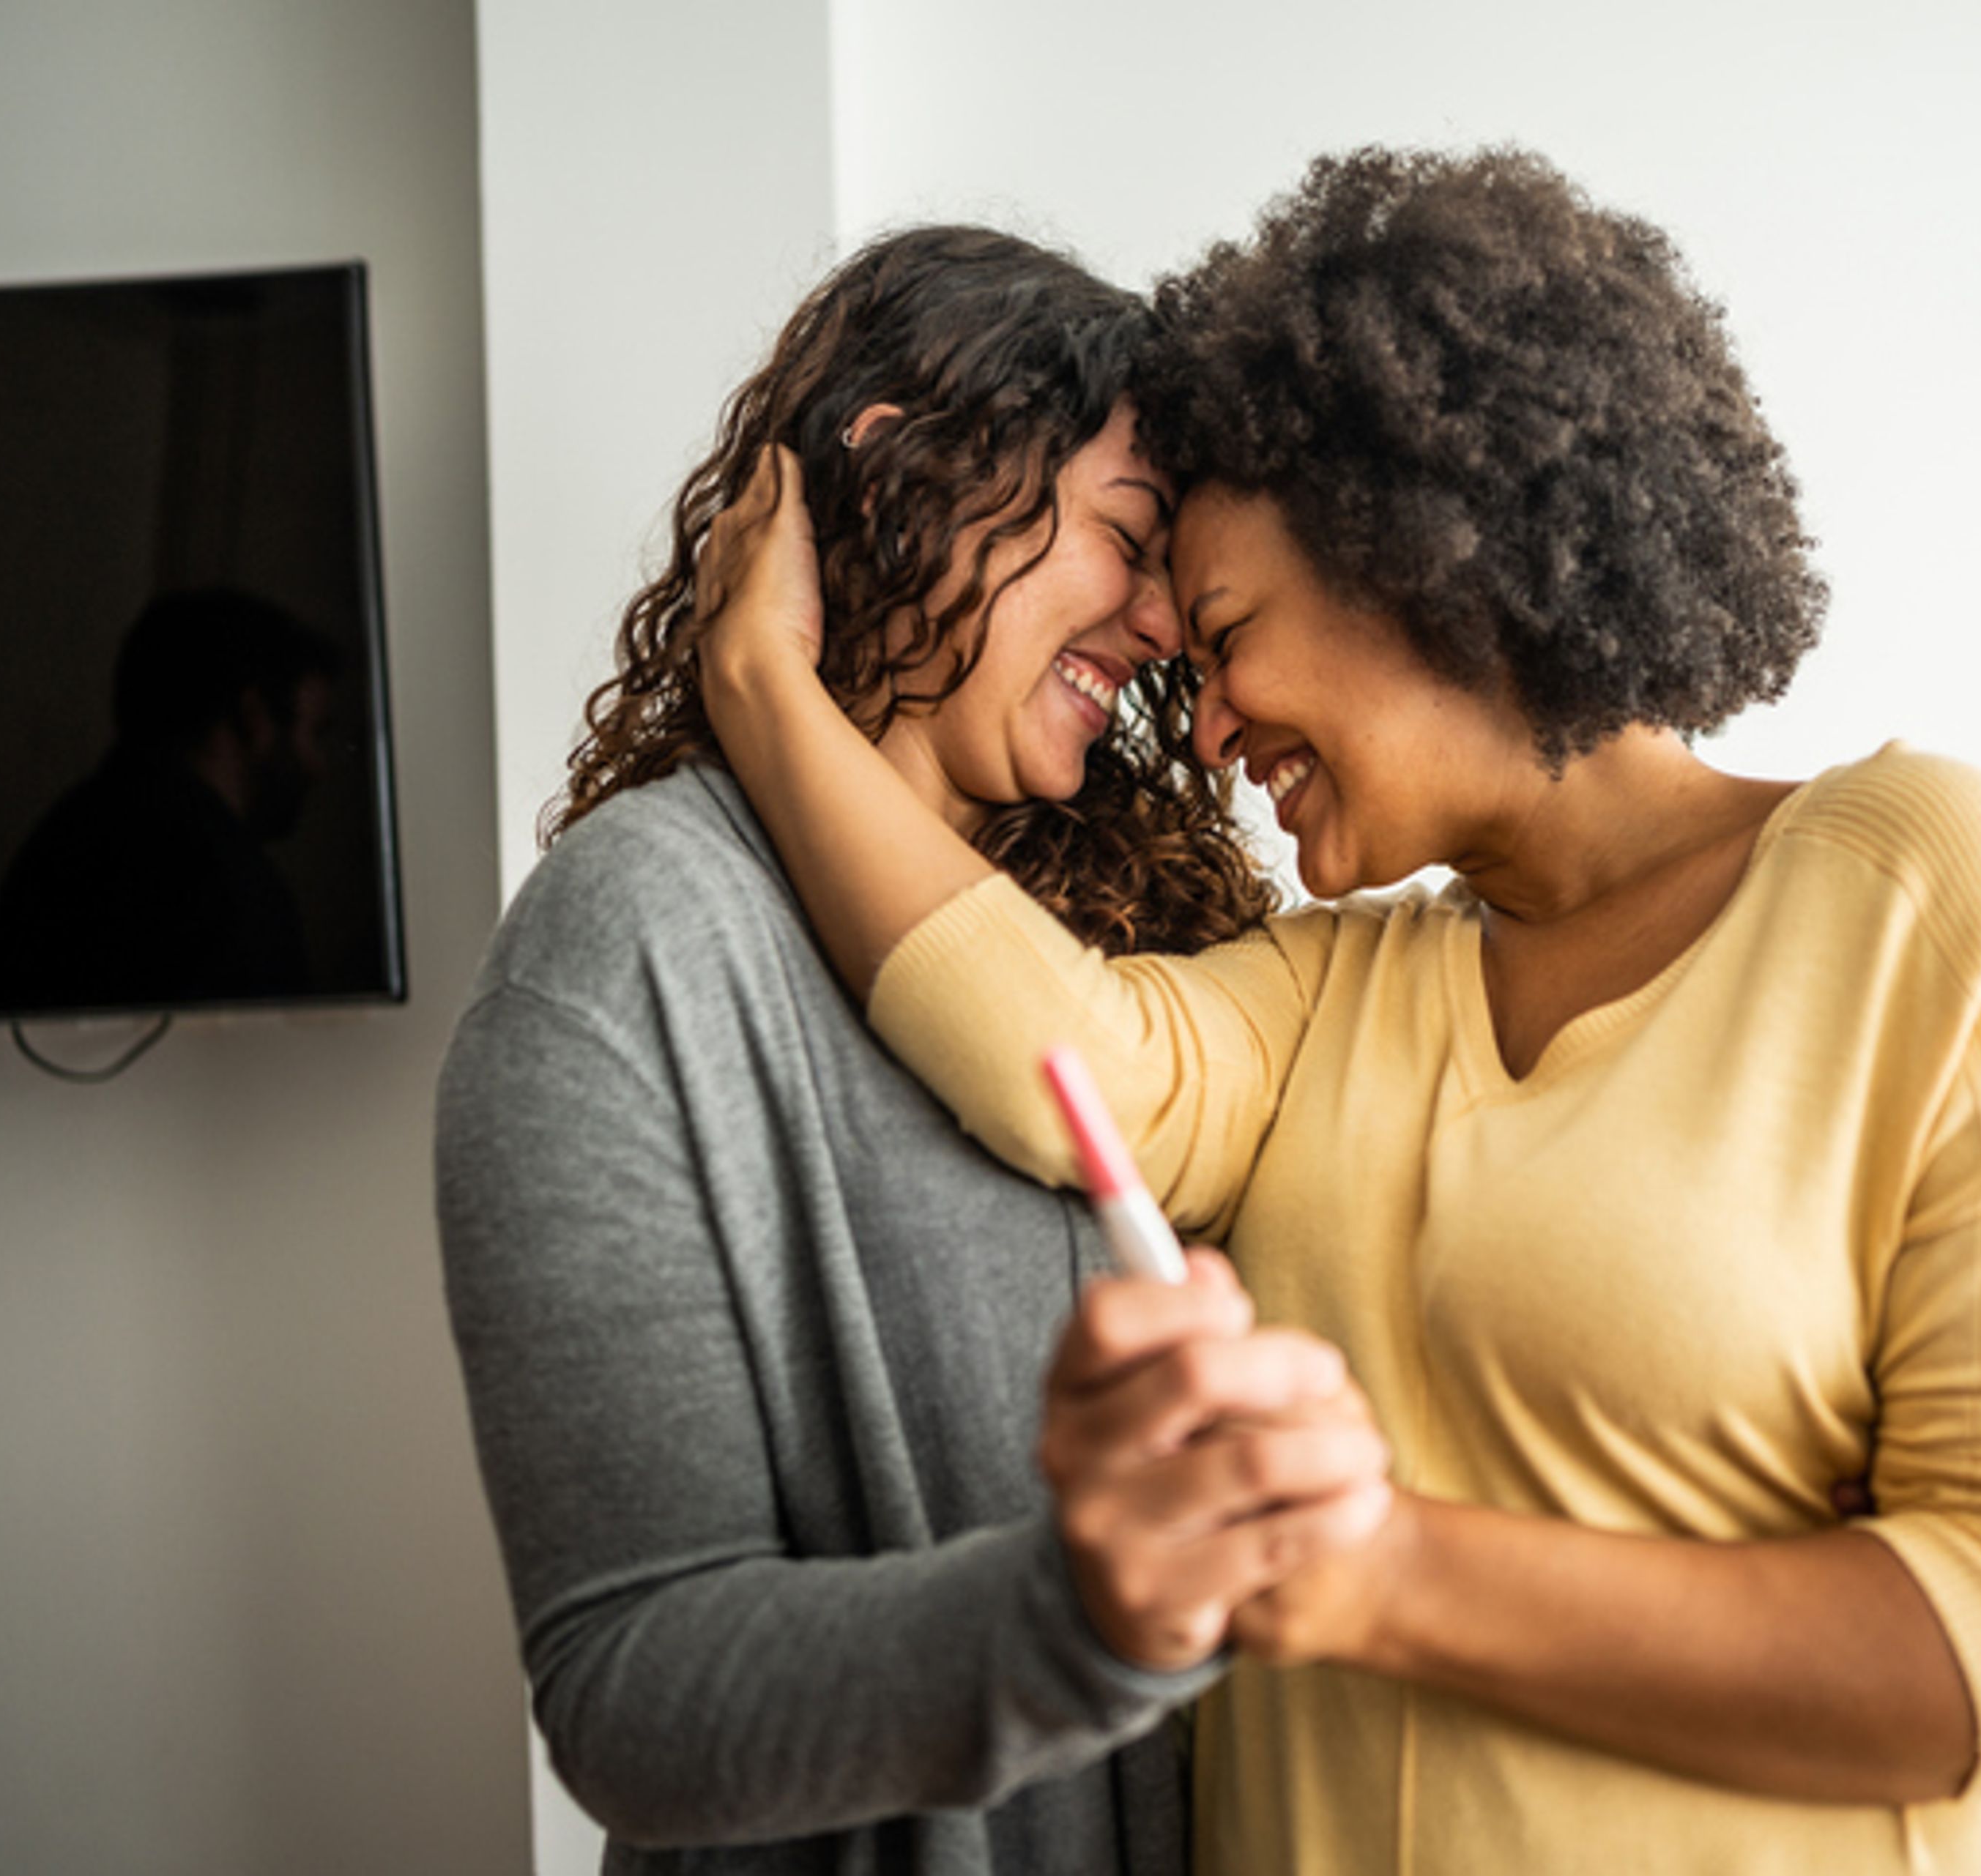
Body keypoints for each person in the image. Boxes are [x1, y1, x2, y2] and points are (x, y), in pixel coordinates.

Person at [699, 150, 1981, 1875]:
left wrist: (1384, 1574)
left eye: (1226, 638)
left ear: (1418, 557)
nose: (1203, 734)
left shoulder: (1914, 893)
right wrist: (763, 689)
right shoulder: (1341, 990)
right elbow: (1059, 1067)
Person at [433, 226, 1391, 1876]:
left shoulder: (1158, 943)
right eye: (1122, 539)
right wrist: (1083, 1616)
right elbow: (629, 1693)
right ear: (902, 479)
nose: (1166, 626)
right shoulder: (633, 951)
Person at [0, 586, 335, 1009]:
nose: (320, 767)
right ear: (254, 717)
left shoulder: (55, 847)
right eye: (315, 733)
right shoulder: (235, 892)